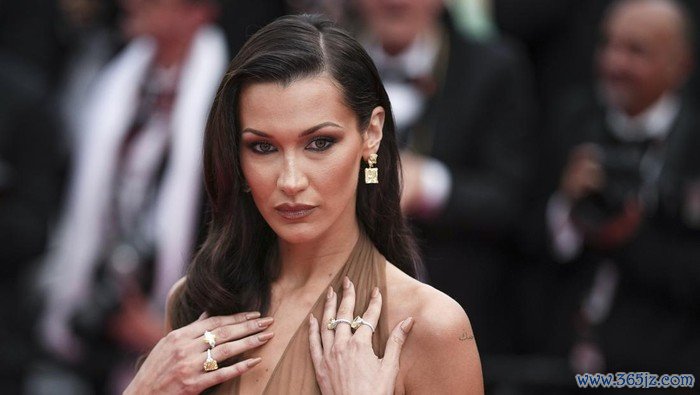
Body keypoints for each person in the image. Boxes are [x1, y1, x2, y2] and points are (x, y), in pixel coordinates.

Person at [125, 14, 483, 394]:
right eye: (263, 147)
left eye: (320, 143)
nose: (290, 181)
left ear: (371, 134)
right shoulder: (196, 300)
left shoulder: (431, 326)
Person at [35, 0, 228, 392]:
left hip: (184, 330)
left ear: (198, 10)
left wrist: (169, 330)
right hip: (89, 317)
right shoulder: (110, 79)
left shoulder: (231, 102)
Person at [352, 0, 535, 356]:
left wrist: (430, 185)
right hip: (347, 306)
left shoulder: (493, 67)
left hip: (454, 315)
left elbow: (513, 200)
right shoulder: (327, 62)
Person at [541, 0, 700, 375]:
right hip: (556, 361)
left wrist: (627, 234)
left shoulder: (694, 145)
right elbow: (523, 232)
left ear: (681, 66)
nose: (614, 64)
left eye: (636, 51)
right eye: (608, 45)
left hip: (664, 366)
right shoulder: (571, 119)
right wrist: (566, 206)